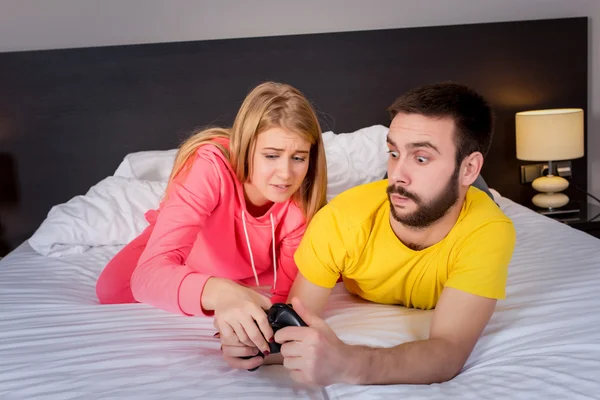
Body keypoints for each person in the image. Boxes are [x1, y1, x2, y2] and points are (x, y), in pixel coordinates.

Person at [219, 82, 517, 386]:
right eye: (392, 152)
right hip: (372, 208)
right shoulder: (340, 221)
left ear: (469, 168)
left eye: (421, 158)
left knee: (470, 199)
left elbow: (448, 352)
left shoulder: (489, 231)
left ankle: (472, 185)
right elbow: (293, 327)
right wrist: (251, 345)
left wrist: (351, 364)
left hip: (467, 199)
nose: (398, 173)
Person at [95, 81, 328, 358]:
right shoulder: (210, 166)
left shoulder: (301, 200)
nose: (286, 174)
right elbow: (146, 278)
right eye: (271, 156)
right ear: (245, 147)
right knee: (111, 288)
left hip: (255, 263)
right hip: (191, 248)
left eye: (298, 158)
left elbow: (285, 305)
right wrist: (221, 293)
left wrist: (258, 335)